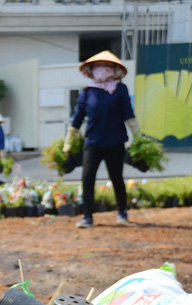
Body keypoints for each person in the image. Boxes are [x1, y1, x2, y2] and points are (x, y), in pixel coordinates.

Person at [65, 50, 138, 228]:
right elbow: (78, 118)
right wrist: (68, 140)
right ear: (92, 70)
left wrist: (138, 136)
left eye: (106, 66)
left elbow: (129, 114)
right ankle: (87, 216)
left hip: (115, 142)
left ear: (114, 69)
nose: (102, 70)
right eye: (98, 67)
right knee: (87, 178)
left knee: (116, 178)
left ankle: (122, 212)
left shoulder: (120, 89)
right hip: (93, 143)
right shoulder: (87, 92)